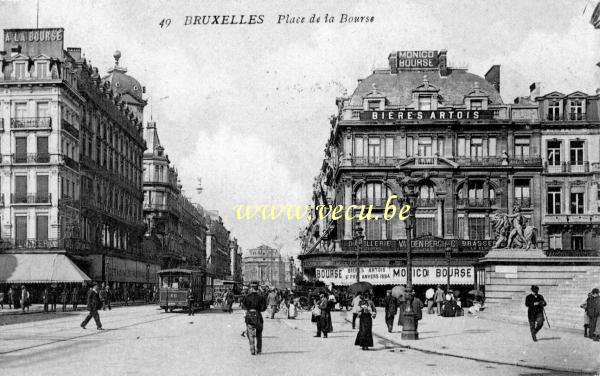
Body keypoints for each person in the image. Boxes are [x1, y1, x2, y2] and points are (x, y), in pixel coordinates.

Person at [242, 282, 267, 355]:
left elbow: (243, 306)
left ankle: (252, 349)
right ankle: (259, 350)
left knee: (250, 333)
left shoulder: (247, 297)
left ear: (251, 288)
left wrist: (249, 309)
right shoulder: (261, 297)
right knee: (259, 334)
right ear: (257, 288)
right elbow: (264, 308)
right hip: (258, 316)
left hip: (249, 316)